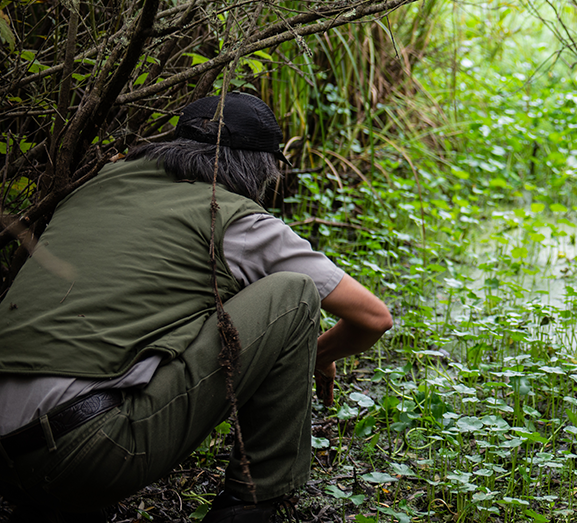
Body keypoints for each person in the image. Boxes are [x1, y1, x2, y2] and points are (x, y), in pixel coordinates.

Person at [0, 92, 393, 522]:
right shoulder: (234, 219)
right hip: (87, 452)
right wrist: (310, 356)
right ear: (261, 169)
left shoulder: (95, 187)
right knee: (294, 294)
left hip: (8, 457)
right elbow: (372, 318)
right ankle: (248, 507)